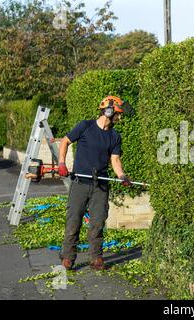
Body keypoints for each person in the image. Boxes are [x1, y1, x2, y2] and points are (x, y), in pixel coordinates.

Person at [57, 96, 132, 271]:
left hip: (100, 185)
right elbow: (65, 141)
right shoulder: (85, 126)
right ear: (109, 111)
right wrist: (61, 163)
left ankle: (96, 257)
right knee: (73, 221)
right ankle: (68, 257)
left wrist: (122, 176)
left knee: (98, 222)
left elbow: (115, 160)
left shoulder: (115, 136)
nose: (119, 118)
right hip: (80, 183)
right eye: (118, 114)